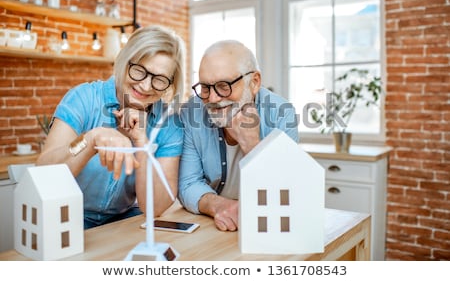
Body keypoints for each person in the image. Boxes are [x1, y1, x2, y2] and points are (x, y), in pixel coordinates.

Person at [37, 25, 186, 229]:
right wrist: (90, 140)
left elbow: (155, 207)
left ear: (170, 84)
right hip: (66, 217)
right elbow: (44, 174)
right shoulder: (84, 98)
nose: (145, 86)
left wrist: (143, 143)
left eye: (159, 80)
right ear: (124, 61)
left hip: (123, 222)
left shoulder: (169, 123)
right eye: (139, 71)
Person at [178, 40, 299, 232]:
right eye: (205, 87)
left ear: (254, 82)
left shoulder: (282, 114)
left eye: (224, 85)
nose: (213, 98)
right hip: (213, 223)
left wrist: (252, 145)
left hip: (267, 224)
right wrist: (219, 206)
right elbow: (188, 183)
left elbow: (285, 193)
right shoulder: (190, 113)